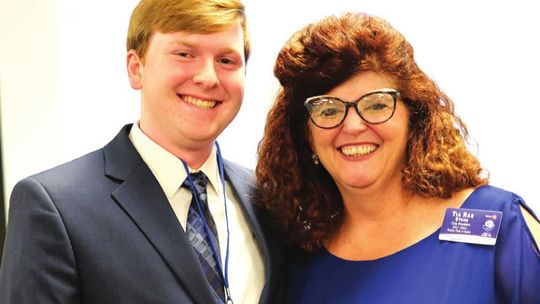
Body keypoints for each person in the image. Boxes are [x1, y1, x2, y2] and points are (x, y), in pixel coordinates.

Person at [0, 0, 284, 303]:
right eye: (185, 54)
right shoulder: (54, 206)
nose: (208, 77)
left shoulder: (268, 199)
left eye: (227, 61)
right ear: (136, 69)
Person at [256, 13, 540, 303]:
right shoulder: (298, 261)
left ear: (414, 117)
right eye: (328, 110)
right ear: (305, 134)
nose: (353, 126)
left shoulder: (499, 225)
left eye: (377, 104)